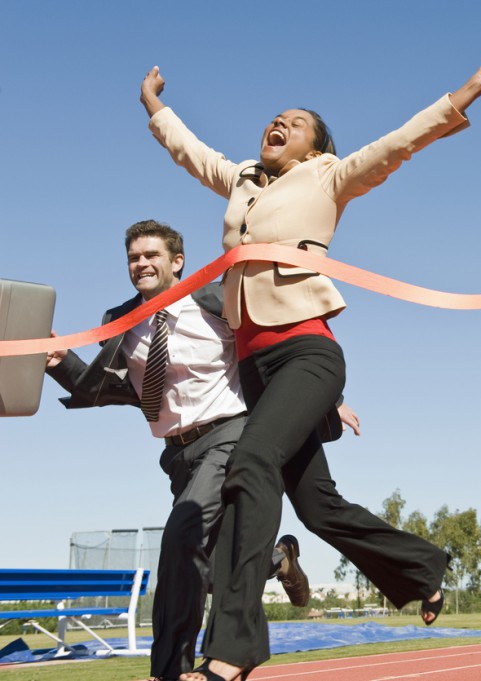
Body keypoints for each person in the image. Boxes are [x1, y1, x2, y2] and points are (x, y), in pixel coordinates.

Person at [139, 56, 481, 681]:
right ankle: (421, 568)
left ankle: (232, 647)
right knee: (316, 506)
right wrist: (155, 106)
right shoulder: (243, 180)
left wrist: (469, 90)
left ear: (318, 146)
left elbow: (400, 142)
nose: (279, 123)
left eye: (297, 122)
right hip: (258, 371)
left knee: (249, 463)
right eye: (275, 119)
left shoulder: (328, 178)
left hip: (307, 352)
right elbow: (193, 153)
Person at [45, 220, 318, 681]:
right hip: (177, 456)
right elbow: (115, 390)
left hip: (230, 434)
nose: (141, 264)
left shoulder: (215, 301)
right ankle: (279, 560)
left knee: (177, 542)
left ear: (177, 262)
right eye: (134, 258)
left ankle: (170, 670)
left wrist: (321, 392)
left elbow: (269, 351)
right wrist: (59, 361)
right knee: (204, 568)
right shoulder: (122, 322)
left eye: (151, 255)